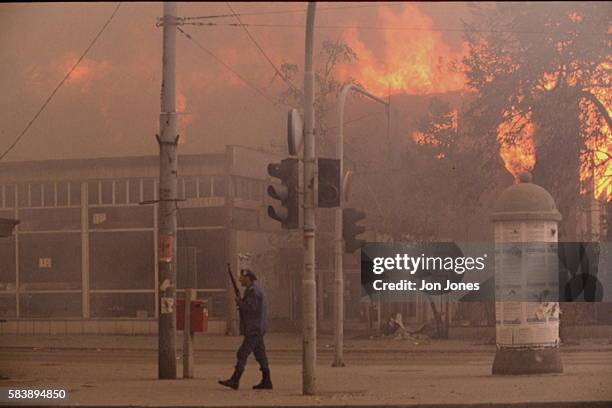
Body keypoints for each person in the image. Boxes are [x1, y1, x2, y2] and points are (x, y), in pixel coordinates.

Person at [219, 269, 272, 390]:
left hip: (254, 329)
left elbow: (251, 308)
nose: (240, 280)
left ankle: (235, 380)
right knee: (260, 355)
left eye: (242, 278)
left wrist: (240, 302)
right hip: (256, 328)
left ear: (248, 278)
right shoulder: (253, 290)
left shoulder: (253, 292)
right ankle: (267, 380)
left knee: (242, 353)